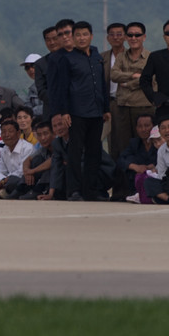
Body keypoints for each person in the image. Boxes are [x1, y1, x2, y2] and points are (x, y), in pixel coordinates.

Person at [48, 21, 108, 201]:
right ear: (73, 38)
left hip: (97, 112)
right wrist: (64, 111)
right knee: (74, 152)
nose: (82, 38)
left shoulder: (97, 56)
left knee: (94, 152)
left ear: (91, 36)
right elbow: (63, 87)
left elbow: (102, 83)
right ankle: (73, 191)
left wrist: (106, 108)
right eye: (78, 35)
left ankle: (91, 190)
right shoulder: (67, 59)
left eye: (85, 34)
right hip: (76, 112)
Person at [110, 21, 152, 157]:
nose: (134, 38)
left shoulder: (151, 57)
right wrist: (134, 75)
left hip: (144, 106)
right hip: (123, 107)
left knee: (147, 145)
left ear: (144, 37)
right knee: (124, 147)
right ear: (126, 38)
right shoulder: (121, 56)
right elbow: (114, 74)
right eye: (130, 35)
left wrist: (128, 83)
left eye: (137, 35)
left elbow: (149, 79)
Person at [0, 118, 36, 199]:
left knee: (15, 180)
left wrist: (2, 182)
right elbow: (1, 171)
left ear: (18, 133)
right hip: (6, 181)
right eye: (3, 132)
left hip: (19, 180)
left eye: (10, 131)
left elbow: (21, 172)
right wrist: (2, 181)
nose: (6, 135)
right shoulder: (4, 149)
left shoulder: (27, 148)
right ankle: (0, 192)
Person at [118, 114, 157, 202]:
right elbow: (121, 160)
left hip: (156, 178)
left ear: (154, 127)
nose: (143, 129)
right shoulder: (134, 143)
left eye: (147, 126)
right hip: (137, 180)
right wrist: (135, 167)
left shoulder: (159, 142)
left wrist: (155, 167)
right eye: (140, 126)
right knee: (129, 160)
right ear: (136, 128)